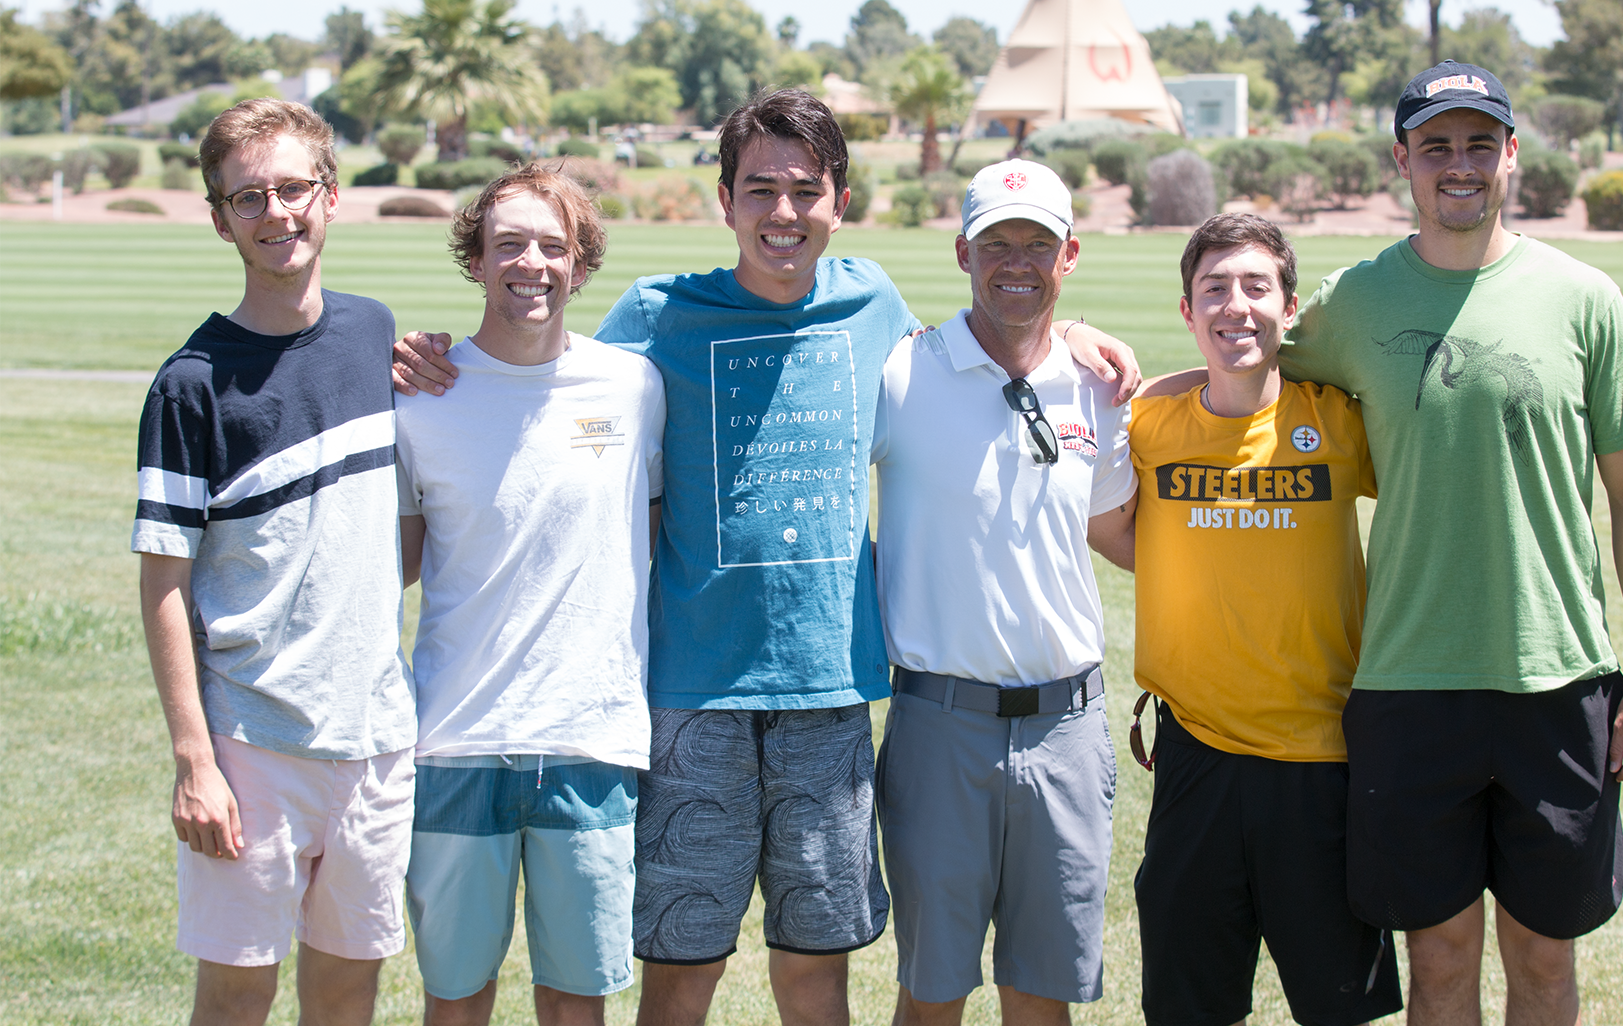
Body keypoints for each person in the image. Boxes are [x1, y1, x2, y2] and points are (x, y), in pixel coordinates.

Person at [388, 89, 1139, 1026]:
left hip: (827, 697)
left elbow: (990, 347)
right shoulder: (656, 317)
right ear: (726, 200)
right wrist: (425, 355)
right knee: (682, 970)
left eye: (805, 190)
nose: (783, 213)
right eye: (760, 190)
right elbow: (537, 369)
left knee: (815, 972)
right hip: (688, 696)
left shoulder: (874, 304)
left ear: (840, 201)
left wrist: (1072, 336)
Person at [1155, 62, 1623, 1025]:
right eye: (1436, 146)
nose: (1460, 164)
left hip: (1555, 680)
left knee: (1543, 960)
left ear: (1511, 155)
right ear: (1404, 160)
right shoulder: (1356, 303)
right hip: (1406, 689)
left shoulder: (1584, 298)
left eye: (1480, 143)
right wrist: (1121, 369)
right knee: (1438, 964)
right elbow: (1243, 351)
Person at [131, 98, 415, 1026]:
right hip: (250, 745)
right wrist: (193, 760)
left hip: (376, 739)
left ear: (332, 198)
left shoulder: (376, 335)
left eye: (294, 188)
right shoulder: (189, 384)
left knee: (344, 992)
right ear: (219, 219)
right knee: (237, 994)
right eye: (248, 197)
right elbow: (164, 585)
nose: (276, 213)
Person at [1100, 213, 1402, 1026]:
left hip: (1328, 759)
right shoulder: (1150, 425)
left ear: (1291, 308)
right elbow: (1107, 528)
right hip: (1195, 759)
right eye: (1215, 289)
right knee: (1190, 1007)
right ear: (1188, 314)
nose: (1236, 306)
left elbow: (1445, 453)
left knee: (1343, 1007)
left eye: (1256, 286)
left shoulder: (1338, 418)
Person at [393, 164, 665, 1025]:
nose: (531, 262)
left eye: (554, 245)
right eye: (508, 242)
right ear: (475, 258)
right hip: (454, 745)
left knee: (576, 1004)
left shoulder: (633, 387)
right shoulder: (417, 398)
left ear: (581, 266)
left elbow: (649, 537)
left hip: (591, 742)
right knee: (456, 999)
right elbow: (394, 564)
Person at [870, 159, 1137, 1026]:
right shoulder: (901, 375)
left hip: (1068, 729)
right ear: (962, 253)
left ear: (1069, 258)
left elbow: (1113, 531)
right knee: (933, 992)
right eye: (996, 244)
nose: (1016, 262)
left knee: (1042, 996)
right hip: (939, 727)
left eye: (1037, 244)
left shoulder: (1100, 388)